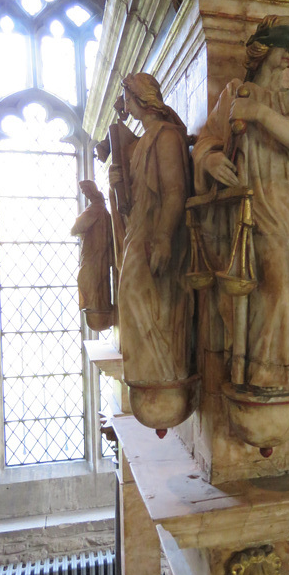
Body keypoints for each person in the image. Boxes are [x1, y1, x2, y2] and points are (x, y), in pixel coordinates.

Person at [192, 15, 289, 393]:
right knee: (245, 288)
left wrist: (262, 115)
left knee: (279, 284)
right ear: (264, 51)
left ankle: (271, 372)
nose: (288, 59)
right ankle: (244, 364)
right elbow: (206, 141)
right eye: (284, 49)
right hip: (241, 210)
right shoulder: (234, 93)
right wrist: (211, 160)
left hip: (285, 209)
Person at [117, 73, 192, 390]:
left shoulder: (165, 136)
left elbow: (175, 191)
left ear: (139, 99)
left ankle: (163, 368)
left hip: (155, 235)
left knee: (141, 296)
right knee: (132, 297)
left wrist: (163, 238)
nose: (125, 105)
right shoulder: (141, 141)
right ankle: (151, 370)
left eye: (127, 98)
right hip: (139, 231)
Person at [70, 180, 114, 331]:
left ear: (92, 190)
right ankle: (96, 304)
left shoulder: (96, 207)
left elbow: (77, 227)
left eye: (86, 191)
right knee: (91, 278)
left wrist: (78, 225)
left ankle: (97, 305)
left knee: (88, 277)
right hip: (92, 251)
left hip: (95, 252)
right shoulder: (97, 207)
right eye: (83, 193)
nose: (86, 194)